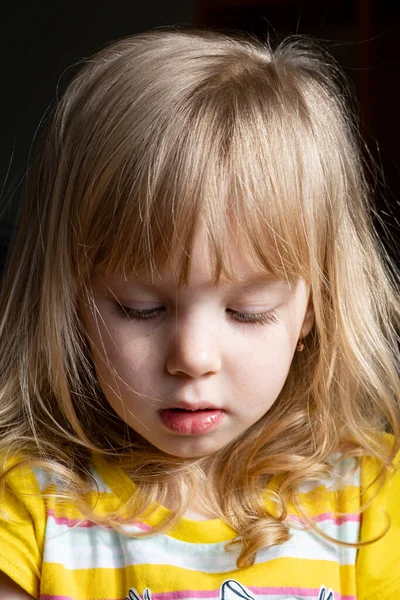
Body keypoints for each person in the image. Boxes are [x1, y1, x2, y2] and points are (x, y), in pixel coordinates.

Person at [0, 27, 399, 600]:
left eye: (248, 310)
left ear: (315, 306)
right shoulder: (28, 505)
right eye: (142, 309)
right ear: (71, 303)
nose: (193, 358)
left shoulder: (371, 499)